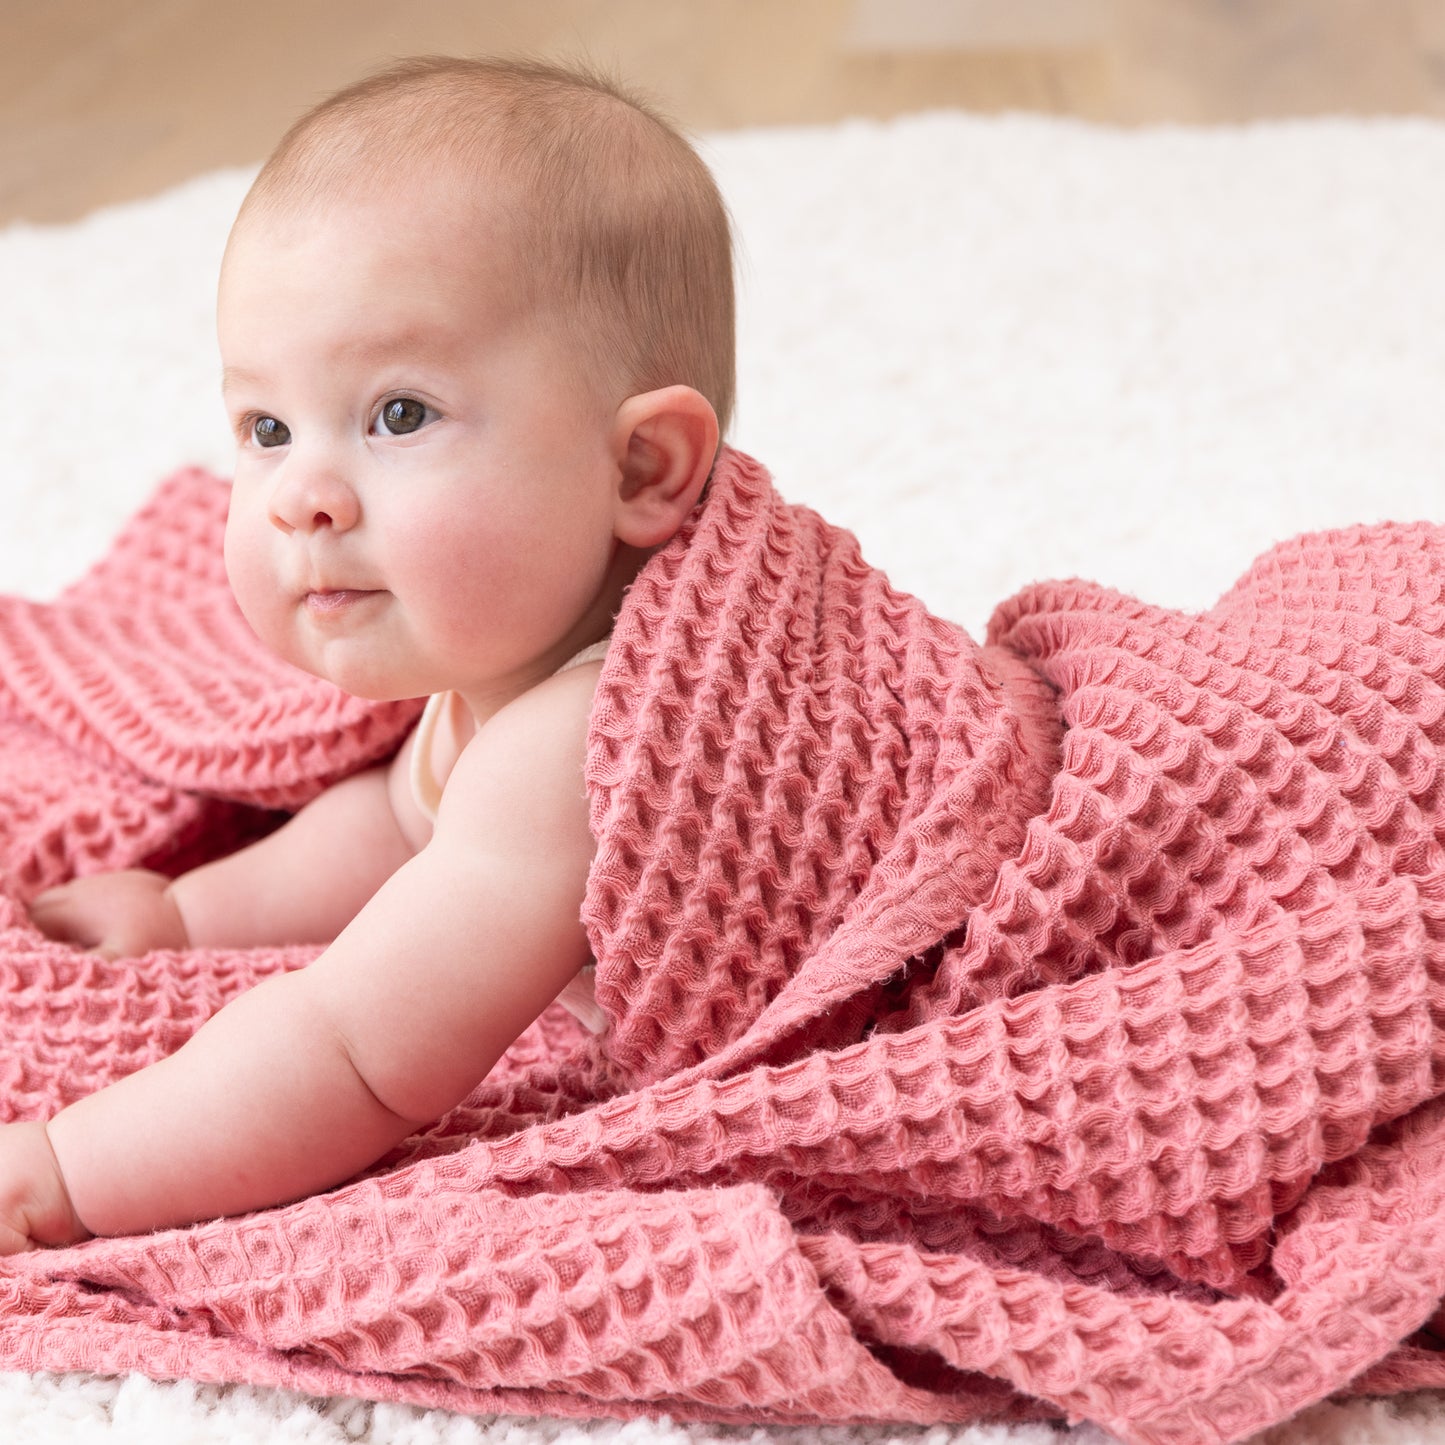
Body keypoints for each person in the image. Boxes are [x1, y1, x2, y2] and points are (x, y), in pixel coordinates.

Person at [0, 54, 734, 1252]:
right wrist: (191, 912)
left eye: (399, 413)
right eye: (268, 428)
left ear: (643, 468)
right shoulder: (502, 667)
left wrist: (63, 1173)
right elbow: (397, 823)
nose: (301, 496)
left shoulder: (590, 741)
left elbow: (350, 1049)